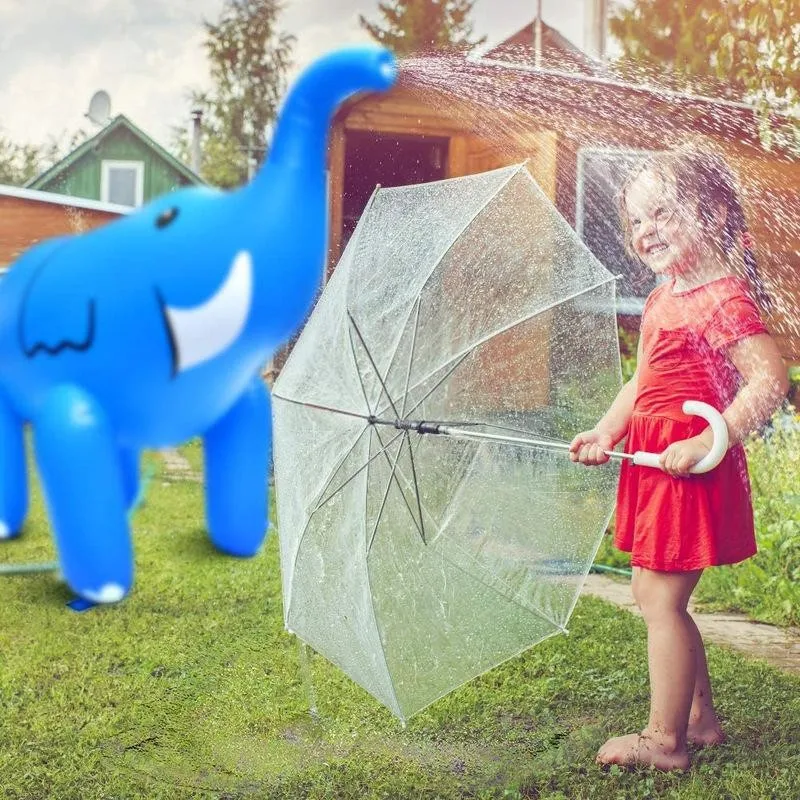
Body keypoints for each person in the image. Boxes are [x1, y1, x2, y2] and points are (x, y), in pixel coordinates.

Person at [569, 141, 789, 771]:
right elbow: (641, 382)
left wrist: (709, 438)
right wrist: (609, 432)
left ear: (714, 215)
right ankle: (700, 719)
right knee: (654, 594)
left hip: (686, 462)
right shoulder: (669, 293)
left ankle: (664, 741)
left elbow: (769, 382)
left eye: (663, 213)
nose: (646, 231)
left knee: (659, 601)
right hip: (653, 458)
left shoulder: (722, 297)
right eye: (637, 220)